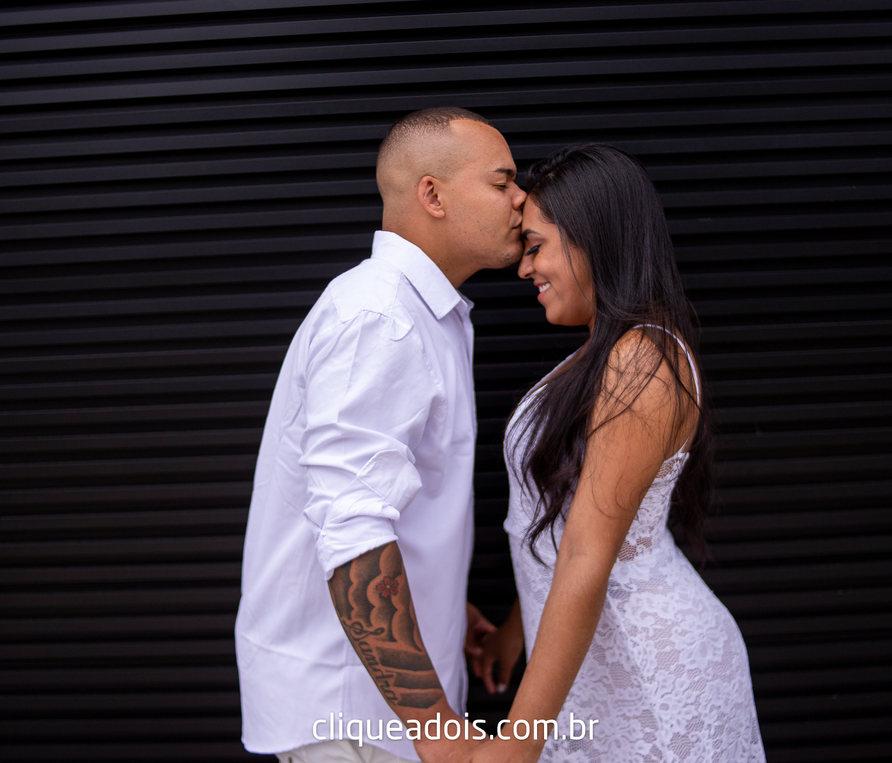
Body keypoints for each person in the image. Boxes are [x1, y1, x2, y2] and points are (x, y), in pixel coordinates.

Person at [235, 107, 525, 763]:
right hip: (355, 718)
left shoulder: (425, 315)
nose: (521, 199)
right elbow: (354, 529)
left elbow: (378, 501)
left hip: (373, 712)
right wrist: (437, 730)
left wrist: (439, 601)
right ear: (433, 195)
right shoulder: (381, 318)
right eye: (502, 181)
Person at [470, 144, 765, 762]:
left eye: (536, 246)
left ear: (591, 240)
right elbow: (561, 524)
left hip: (649, 677)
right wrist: (515, 632)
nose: (525, 268)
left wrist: (514, 745)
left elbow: (587, 553)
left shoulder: (642, 360)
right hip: (597, 672)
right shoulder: (607, 355)